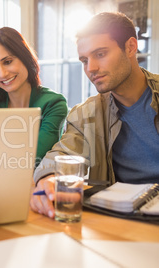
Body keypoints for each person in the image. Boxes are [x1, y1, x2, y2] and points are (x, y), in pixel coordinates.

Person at [31, 12, 159, 219]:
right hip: (126, 221)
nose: (91, 68)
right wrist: (48, 178)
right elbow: (59, 156)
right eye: (84, 60)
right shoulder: (86, 115)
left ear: (131, 47)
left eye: (100, 54)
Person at [0, 27, 68, 166]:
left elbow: (35, 158)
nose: (2, 74)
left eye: (7, 62)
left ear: (25, 57)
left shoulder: (54, 103)